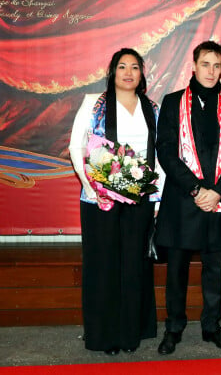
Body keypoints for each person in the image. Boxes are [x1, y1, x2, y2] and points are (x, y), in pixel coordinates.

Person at [155, 41, 221, 355]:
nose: (211, 71)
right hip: (184, 200)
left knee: (213, 269)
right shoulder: (173, 102)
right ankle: (174, 327)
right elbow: (165, 150)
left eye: (217, 65)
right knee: (176, 269)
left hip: (219, 200)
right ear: (193, 66)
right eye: (205, 64)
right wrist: (195, 189)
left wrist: (218, 192)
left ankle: (211, 326)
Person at [68, 48, 159, 355]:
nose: (129, 72)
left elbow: (157, 155)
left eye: (135, 67)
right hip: (100, 199)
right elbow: (75, 146)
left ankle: (130, 333)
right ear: (112, 71)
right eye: (122, 67)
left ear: (142, 73)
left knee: (134, 265)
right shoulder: (94, 103)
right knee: (104, 266)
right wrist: (92, 187)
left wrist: (155, 198)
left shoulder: (152, 107)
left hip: (139, 200)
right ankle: (104, 336)